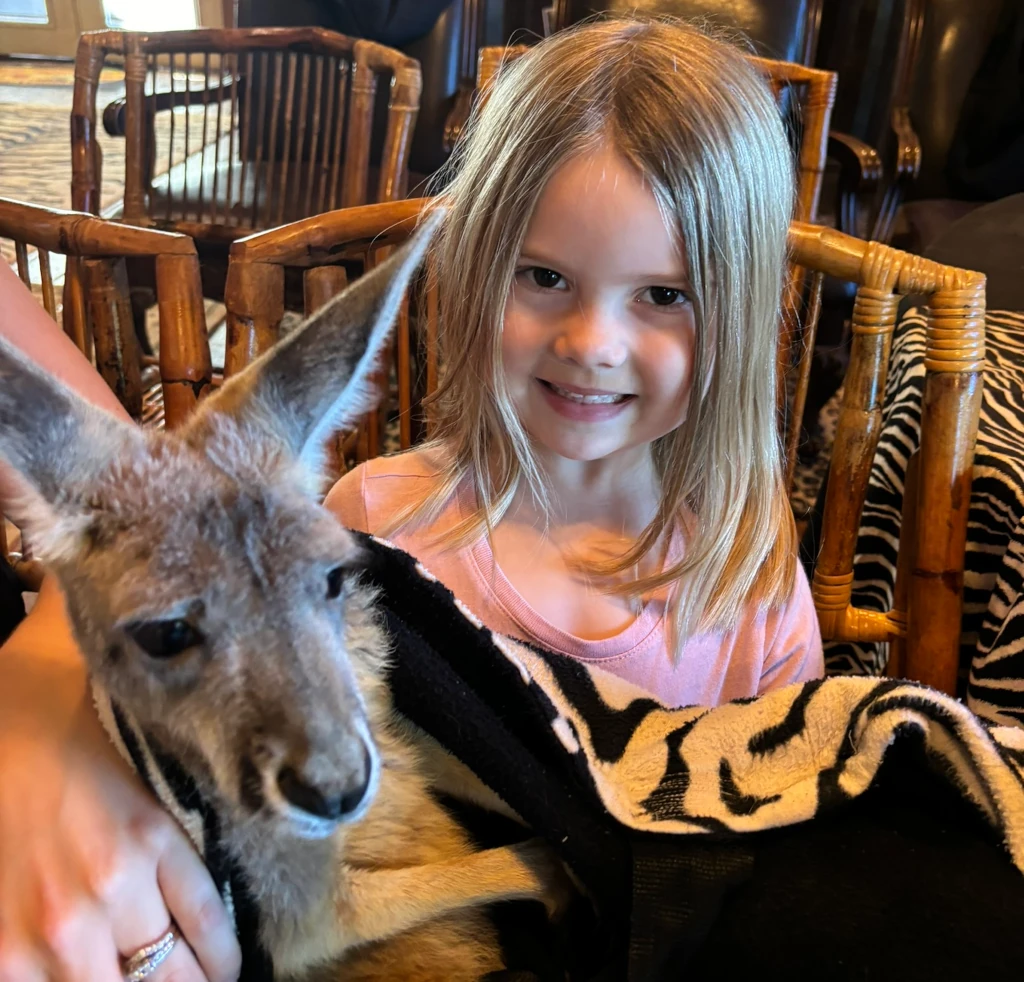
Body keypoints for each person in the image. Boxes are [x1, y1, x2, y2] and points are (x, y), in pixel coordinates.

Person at [0, 17, 822, 982]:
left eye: (664, 295)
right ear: (478, 275)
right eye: (545, 278)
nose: (594, 341)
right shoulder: (379, 525)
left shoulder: (747, 571)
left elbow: (779, 815)